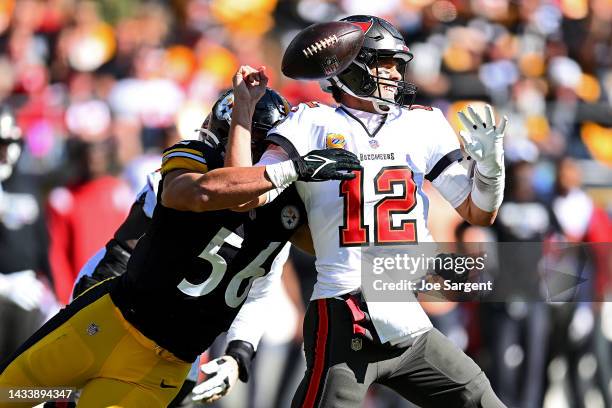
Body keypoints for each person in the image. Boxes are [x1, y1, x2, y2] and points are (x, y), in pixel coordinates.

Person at [0, 68, 360, 407]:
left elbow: (265, 283)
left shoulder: (284, 212)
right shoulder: (193, 161)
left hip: (164, 363)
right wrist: (290, 167)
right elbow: (191, 200)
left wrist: (239, 353)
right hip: (109, 319)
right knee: (15, 396)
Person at [216, 15, 508, 408]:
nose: (392, 74)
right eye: (381, 63)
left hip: (404, 314)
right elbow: (243, 192)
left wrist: (490, 168)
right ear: (347, 67)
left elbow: (477, 213)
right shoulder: (310, 123)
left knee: (480, 398)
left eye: (395, 65)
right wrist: (245, 113)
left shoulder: (423, 125)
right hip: (344, 310)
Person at [0, 106, 53, 359]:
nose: (6, 153)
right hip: (7, 293)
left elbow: (43, 244)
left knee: (16, 386)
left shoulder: (27, 185)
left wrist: (54, 295)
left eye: (12, 142)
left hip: (27, 297)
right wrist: (4, 286)